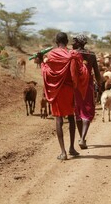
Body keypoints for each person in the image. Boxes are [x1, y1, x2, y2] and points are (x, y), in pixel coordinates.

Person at [41, 32, 89, 160]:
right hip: (69, 90)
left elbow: (48, 72)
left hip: (57, 90)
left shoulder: (52, 54)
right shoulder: (71, 54)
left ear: (56, 42)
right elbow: (81, 70)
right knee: (71, 117)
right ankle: (72, 148)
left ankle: (63, 152)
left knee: (59, 119)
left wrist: (42, 61)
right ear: (67, 42)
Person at [72, 34, 102, 150]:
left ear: (79, 43)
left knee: (78, 111)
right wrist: (100, 85)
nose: (72, 43)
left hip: (75, 86)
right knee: (87, 110)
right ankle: (82, 138)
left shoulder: (73, 54)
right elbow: (97, 73)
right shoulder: (91, 55)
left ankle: (82, 138)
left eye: (74, 41)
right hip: (88, 85)